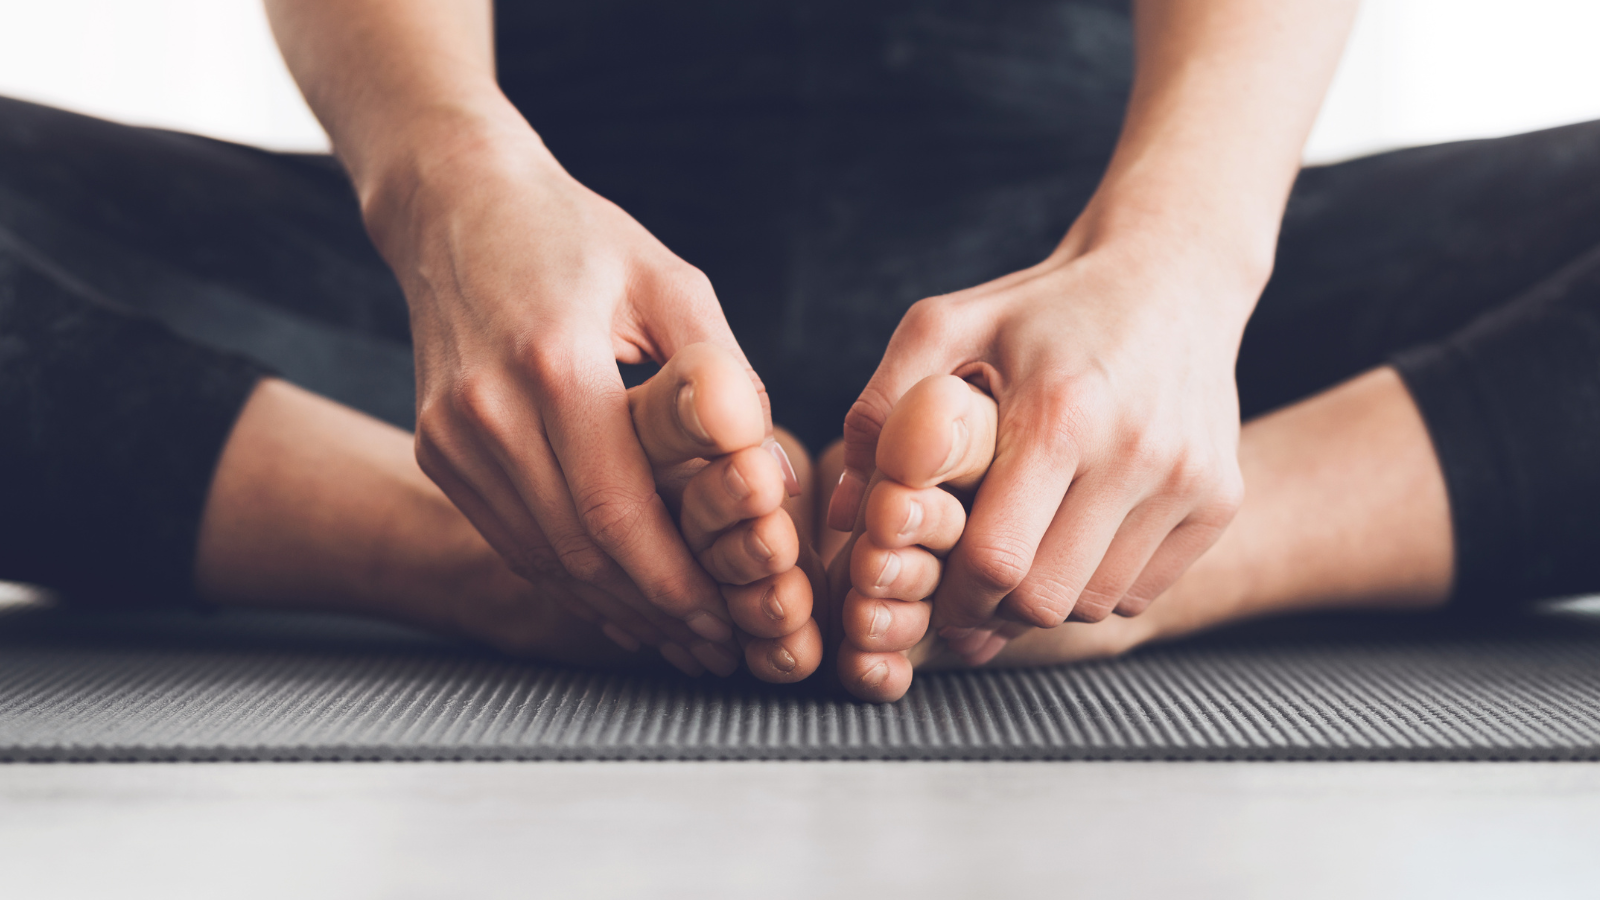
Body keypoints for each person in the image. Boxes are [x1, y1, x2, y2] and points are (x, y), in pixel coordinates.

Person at [2, 2, 1599, 702]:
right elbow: (454, 173)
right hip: (524, 275)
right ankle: (477, 540)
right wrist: (453, 191)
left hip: (1085, 254)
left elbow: (1181, 227)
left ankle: (1174, 542)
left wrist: (1179, 261)